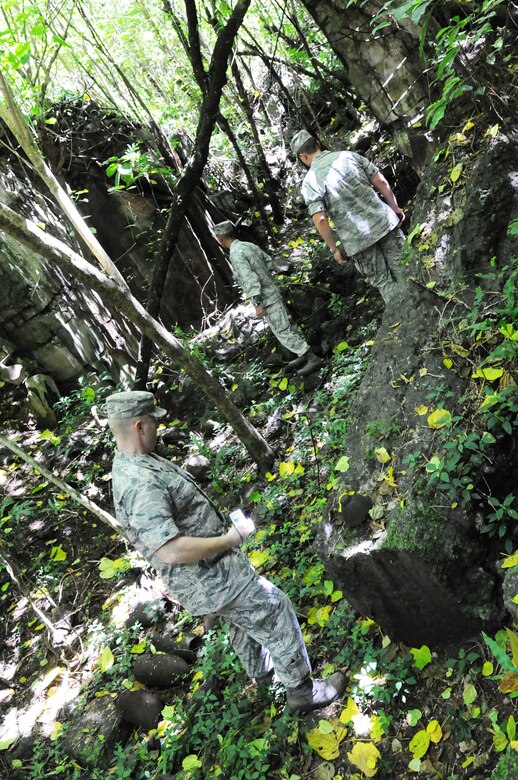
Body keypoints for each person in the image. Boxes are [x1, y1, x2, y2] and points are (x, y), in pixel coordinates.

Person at [105, 390, 347, 714]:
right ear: (138, 426)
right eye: (153, 422)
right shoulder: (139, 483)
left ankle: (268, 682)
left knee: (242, 623)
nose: (158, 427)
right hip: (211, 576)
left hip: (209, 574)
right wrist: (230, 540)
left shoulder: (134, 462)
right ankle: (302, 691)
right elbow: (171, 550)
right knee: (275, 609)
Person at [290, 129, 406, 304]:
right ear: (318, 144)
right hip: (384, 223)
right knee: (404, 266)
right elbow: (381, 181)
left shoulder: (310, 181)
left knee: (384, 282)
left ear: (302, 156)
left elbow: (320, 219)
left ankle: (408, 316)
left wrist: (334, 249)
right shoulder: (348, 156)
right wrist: (395, 207)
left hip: (358, 242)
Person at [213, 220, 323, 377]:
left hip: (266, 299)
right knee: (288, 324)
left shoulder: (236, 254)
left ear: (221, 238)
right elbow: (270, 262)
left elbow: (249, 279)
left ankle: (311, 358)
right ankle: (303, 353)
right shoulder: (247, 246)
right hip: (273, 291)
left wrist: (257, 303)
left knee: (282, 330)